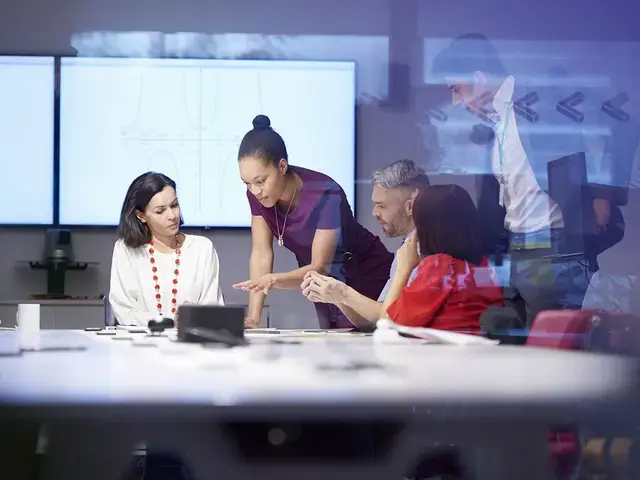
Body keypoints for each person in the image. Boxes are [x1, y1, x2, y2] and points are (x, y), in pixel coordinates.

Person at [431, 33, 625, 329]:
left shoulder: (542, 100)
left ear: (479, 77)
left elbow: (616, 122)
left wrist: (604, 195)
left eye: (456, 89)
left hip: (556, 248)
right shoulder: (495, 122)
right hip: (517, 253)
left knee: (548, 348)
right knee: (506, 334)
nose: (455, 101)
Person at [233, 114, 394, 329]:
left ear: (282, 166)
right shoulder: (257, 194)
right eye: (247, 183)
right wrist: (254, 317)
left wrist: (273, 280)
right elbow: (261, 253)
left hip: (363, 273)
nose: (255, 191)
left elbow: (320, 266)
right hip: (322, 284)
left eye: (260, 181)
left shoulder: (324, 193)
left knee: (372, 342)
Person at [301, 159, 430, 329]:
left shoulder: (425, 251)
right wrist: (337, 297)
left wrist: (343, 293)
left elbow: (387, 319)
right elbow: (375, 321)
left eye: (382, 206)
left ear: (410, 206)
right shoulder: (406, 249)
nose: (375, 213)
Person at [382, 184, 503, 331]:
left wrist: (403, 269)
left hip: (442, 352)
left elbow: (389, 323)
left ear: (426, 228)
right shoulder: (484, 265)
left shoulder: (440, 266)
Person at [109, 172, 224, 326]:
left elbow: (212, 307)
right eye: (160, 211)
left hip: (192, 343)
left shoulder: (202, 248)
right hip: (141, 344)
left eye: (174, 205)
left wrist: (193, 318)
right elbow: (125, 310)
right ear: (141, 216)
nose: (172, 215)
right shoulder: (126, 249)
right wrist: (169, 322)